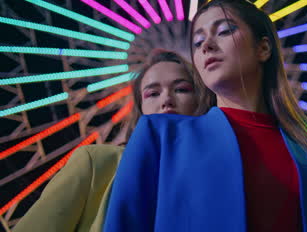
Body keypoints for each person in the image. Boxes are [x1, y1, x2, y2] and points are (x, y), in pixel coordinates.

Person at [104, 0, 307, 232]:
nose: (206, 45)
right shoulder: (160, 137)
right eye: (197, 42)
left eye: (225, 31)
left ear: (263, 48)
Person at [13, 49, 203, 232]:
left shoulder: (215, 175)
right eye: (153, 93)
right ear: (140, 109)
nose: (167, 100)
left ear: (200, 101)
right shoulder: (97, 163)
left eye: (181, 90)